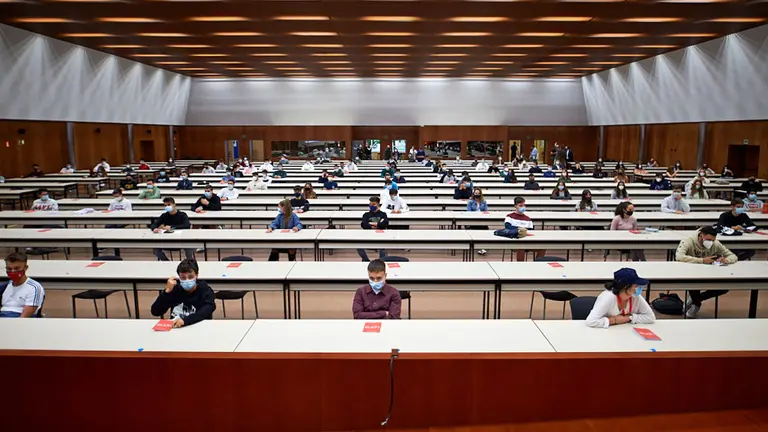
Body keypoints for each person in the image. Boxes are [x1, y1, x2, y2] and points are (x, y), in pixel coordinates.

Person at [676, 226, 738, 318]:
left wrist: (726, 260)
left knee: (725, 287)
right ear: (701, 235)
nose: (711, 242)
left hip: (710, 273)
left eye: (713, 240)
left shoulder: (715, 244)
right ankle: (696, 304)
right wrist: (701, 260)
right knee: (694, 284)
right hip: (691, 272)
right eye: (708, 239)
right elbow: (679, 257)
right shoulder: (688, 241)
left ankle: (696, 300)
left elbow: (732, 256)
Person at [150, 259, 214, 328]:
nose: (187, 280)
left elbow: (207, 309)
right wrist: (166, 292)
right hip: (175, 328)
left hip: (197, 328)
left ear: (197, 275)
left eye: (190, 277)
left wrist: (185, 321)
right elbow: (155, 312)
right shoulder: (175, 289)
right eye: (183, 278)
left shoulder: (205, 290)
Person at [585, 268, 655, 328]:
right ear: (625, 286)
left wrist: (628, 318)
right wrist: (614, 320)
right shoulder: (609, 297)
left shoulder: (635, 296)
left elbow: (650, 317)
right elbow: (591, 321)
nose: (639, 288)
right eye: (636, 285)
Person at [1, 252, 45, 318]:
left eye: (17, 268)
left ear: (25, 268)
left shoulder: (34, 288)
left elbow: (24, 318)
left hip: (19, 320)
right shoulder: (4, 286)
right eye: (9, 269)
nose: (12, 271)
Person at [150, 197, 194, 261]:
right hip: (167, 240)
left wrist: (171, 227)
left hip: (180, 240)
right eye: (165, 205)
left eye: (169, 205)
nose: (167, 207)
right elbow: (154, 224)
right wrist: (154, 228)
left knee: (190, 246)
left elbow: (186, 225)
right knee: (156, 249)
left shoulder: (182, 215)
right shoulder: (164, 215)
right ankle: (167, 262)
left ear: (174, 204)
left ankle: (188, 262)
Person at [505, 197, 543, 261]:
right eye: (520, 205)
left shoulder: (528, 219)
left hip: (527, 240)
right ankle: (520, 266)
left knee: (542, 248)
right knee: (521, 246)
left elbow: (531, 230)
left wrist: (521, 230)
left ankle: (537, 264)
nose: (523, 207)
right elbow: (508, 227)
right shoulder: (509, 216)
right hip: (514, 240)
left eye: (524, 205)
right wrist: (522, 230)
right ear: (515, 206)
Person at [358, 196, 389, 262]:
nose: (372, 205)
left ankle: (381, 261)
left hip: (380, 235)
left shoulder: (383, 214)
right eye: (370, 204)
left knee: (383, 246)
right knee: (358, 245)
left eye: (374, 204)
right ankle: (366, 260)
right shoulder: (366, 215)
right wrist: (375, 225)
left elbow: (385, 224)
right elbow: (363, 224)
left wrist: (375, 224)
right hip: (368, 234)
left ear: (378, 205)